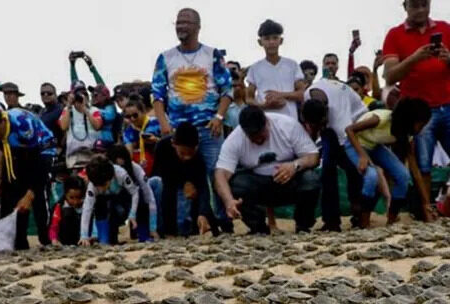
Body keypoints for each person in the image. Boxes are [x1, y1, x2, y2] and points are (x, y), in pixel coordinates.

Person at [382, 0, 450, 218]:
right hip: (418, 111)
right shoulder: (394, 35)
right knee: (423, 163)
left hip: (448, 104)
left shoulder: (444, 28)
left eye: (424, 4)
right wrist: (414, 58)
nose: (421, 9)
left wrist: (449, 60)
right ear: (405, 6)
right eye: (415, 5)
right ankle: (426, 209)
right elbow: (389, 75)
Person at [152, 7, 233, 233]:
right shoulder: (165, 58)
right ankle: (183, 226)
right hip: (179, 131)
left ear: (198, 26)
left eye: (186, 22)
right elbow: (157, 94)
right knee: (178, 181)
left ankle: (222, 223)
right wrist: (164, 123)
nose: (181, 26)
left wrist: (219, 116)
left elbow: (227, 90)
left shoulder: (212, 54)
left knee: (215, 174)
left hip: (209, 128)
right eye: (178, 22)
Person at [214, 106, 320, 234]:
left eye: (260, 134)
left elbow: (313, 156)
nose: (258, 139)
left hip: (289, 182)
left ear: (267, 123)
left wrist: (294, 165)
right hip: (259, 185)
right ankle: (258, 228)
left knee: (311, 179)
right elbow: (221, 174)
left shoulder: (287, 125)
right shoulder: (235, 139)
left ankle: (303, 224)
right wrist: (229, 201)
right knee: (236, 184)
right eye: (252, 136)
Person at [0, 104, 56, 249]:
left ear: (2, 121)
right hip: (15, 153)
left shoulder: (22, 123)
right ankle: (20, 243)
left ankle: (45, 239)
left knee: (37, 195)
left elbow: (37, 163)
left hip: (42, 151)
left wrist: (29, 194)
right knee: (13, 198)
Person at [344, 97, 432, 224]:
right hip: (355, 144)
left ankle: (391, 219)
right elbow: (349, 130)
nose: (422, 129)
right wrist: (362, 155)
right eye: (421, 125)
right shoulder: (380, 119)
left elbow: (415, 170)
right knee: (371, 176)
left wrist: (426, 204)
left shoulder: (406, 134)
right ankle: (364, 222)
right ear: (410, 119)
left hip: (375, 146)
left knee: (403, 175)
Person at [304, 78, 373, 229]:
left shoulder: (338, 117)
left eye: (321, 124)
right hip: (333, 128)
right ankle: (331, 221)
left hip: (357, 123)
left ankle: (359, 213)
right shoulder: (307, 96)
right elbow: (313, 132)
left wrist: (361, 157)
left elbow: (347, 143)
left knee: (353, 168)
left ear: (326, 115)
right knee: (327, 170)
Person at [149, 122, 217, 237]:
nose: (187, 157)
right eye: (182, 153)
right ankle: (165, 230)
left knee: (196, 194)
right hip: (167, 181)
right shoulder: (162, 148)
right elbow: (167, 187)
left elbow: (203, 188)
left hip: (190, 184)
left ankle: (202, 226)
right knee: (161, 187)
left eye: (190, 153)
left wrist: (203, 214)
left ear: (196, 147)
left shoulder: (199, 157)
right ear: (173, 144)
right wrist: (170, 232)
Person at [246, 19, 306, 121]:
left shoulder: (292, 65)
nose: (271, 42)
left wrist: (281, 95)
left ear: (281, 40)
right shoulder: (254, 68)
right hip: (265, 123)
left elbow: (301, 94)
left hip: (290, 121)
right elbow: (248, 98)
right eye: (267, 38)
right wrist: (264, 105)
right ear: (260, 42)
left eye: (275, 38)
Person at [79, 154, 144, 245]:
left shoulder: (121, 174)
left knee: (139, 198)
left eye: (103, 185)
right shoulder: (93, 184)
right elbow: (87, 208)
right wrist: (84, 235)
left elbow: (134, 193)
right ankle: (104, 238)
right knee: (99, 203)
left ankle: (141, 233)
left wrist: (132, 214)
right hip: (106, 206)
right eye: (98, 186)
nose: (101, 189)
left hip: (123, 201)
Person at [107, 144, 158, 242]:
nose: (120, 171)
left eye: (123, 167)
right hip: (118, 206)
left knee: (141, 194)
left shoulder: (136, 169)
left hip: (136, 206)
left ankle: (143, 232)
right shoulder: (106, 173)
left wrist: (153, 228)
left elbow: (150, 198)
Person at [58, 80, 104, 171]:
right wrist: (69, 105)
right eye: (78, 94)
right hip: (74, 157)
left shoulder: (94, 110)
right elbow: (63, 126)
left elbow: (97, 126)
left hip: (92, 156)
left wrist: (85, 109)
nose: (81, 96)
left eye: (84, 93)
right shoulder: (67, 110)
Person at [122, 94, 161, 173]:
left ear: (143, 112)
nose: (132, 119)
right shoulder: (128, 132)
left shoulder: (156, 122)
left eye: (135, 115)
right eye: (128, 116)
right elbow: (129, 153)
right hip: (143, 168)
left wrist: (156, 140)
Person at [48, 175, 86, 246]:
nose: (75, 202)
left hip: (84, 240)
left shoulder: (87, 205)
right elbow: (53, 227)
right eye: (71, 198)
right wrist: (54, 239)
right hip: (65, 242)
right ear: (65, 194)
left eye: (78, 197)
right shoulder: (59, 206)